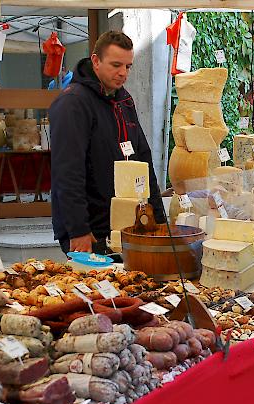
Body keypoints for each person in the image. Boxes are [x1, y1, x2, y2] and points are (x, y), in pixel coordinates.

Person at [49, 31, 166, 254]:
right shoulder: (72, 104)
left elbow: (144, 159)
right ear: (95, 61)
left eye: (128, 66)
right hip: (91, 230)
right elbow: (67, 173)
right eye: (115, 65)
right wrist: (78, 230)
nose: (123, 73)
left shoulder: (124, 100)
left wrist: (159, 220)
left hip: (125, 227)